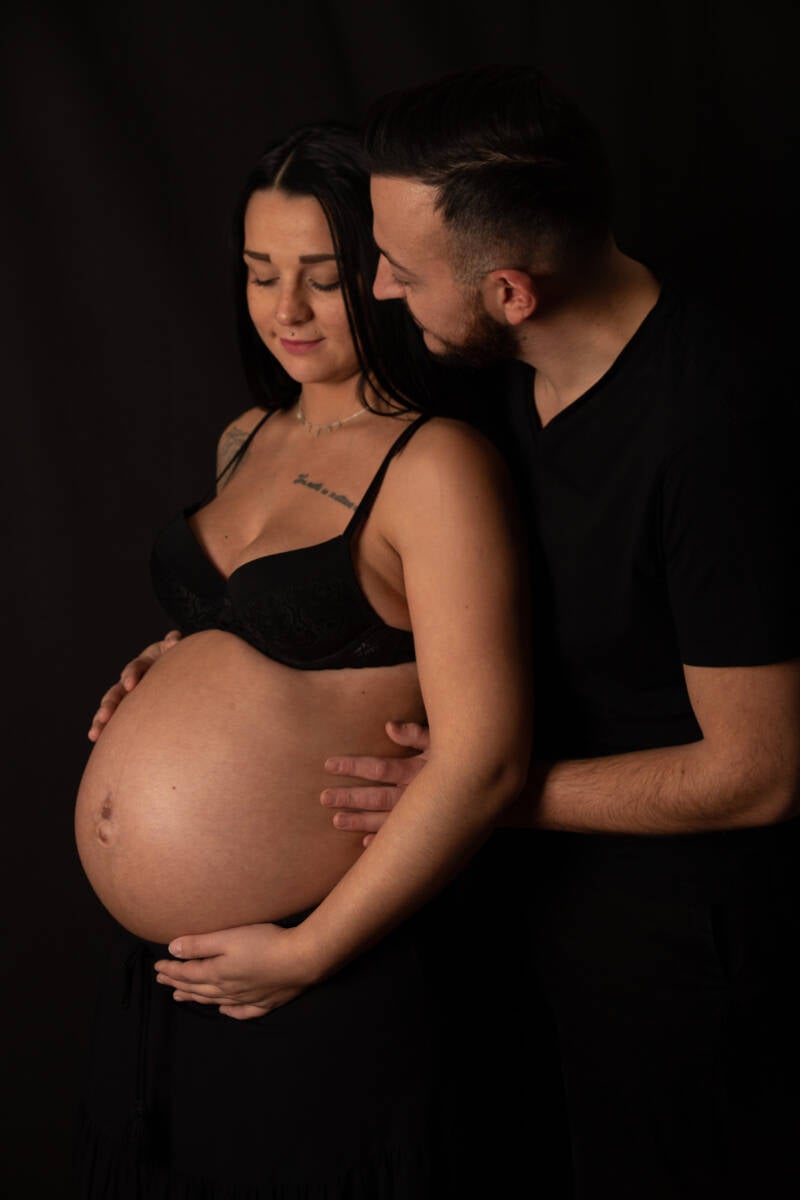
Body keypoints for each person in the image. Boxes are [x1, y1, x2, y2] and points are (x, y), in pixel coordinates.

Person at [310, 66, 800, 1199]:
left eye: (401, 270)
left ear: (512, 292)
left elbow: (763, 771)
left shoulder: (708, 427)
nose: (378, 288)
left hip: (684, 966)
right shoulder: (487, 377)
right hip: (534, 927)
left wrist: (476, 792)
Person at [75, 121, 532, 1198]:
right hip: (181, 976)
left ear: (384, 272)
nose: (286, 309)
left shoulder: (436, 464)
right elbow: (275, 642)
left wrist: (310, 951)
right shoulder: (244, 437)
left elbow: (487, 759)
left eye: (323, 279)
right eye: (259, 273)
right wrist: (176, 662)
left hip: (333, 959)